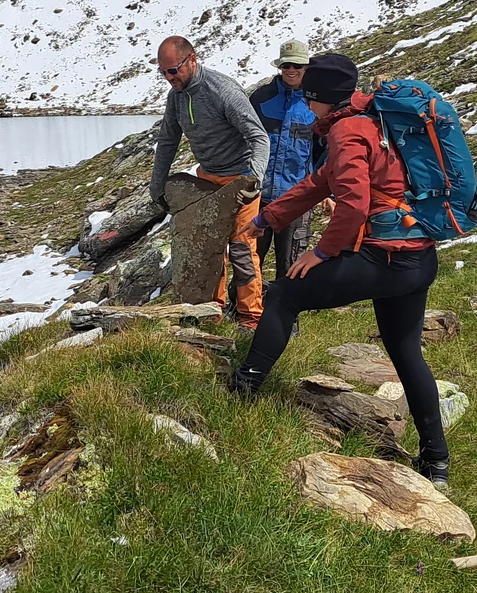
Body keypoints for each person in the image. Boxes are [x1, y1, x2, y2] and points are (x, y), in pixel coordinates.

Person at [229, 51, 450, 487]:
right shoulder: (372, 120)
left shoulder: (347, 131)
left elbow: (352, 203)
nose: (307, 103)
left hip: (383, 260)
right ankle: (436, 462)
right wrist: (266, 219)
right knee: (406, 351)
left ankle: (243, 389)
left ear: (322, 97)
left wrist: (322, 253)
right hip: (418, 258)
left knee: (282, 293)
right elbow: (320, 182)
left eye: (310, 95)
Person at [150, 35, 271, 328]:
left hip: (240, 182)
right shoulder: (175, 96)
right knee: (208, 249)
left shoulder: (222, 91)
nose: (169, 78)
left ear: (192, 59)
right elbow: (167, 141)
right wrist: (157, 186)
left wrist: (252, 179)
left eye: (173, 70)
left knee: (242, 249)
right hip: (207, 180)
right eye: (163, 72)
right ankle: (211, 312)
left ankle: (250, 319)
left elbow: (258, 137)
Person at [248, 39, 317, 279]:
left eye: (297, 65)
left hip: (296, 199)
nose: (291, 70)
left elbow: (324, 150)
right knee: (249, 262)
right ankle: (241, 313)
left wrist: (328, 193)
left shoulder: (315, 101)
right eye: (286, 64)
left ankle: (287, 316)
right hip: (258, 198)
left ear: (306, 68)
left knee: (292, 266)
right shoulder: (261, 98)